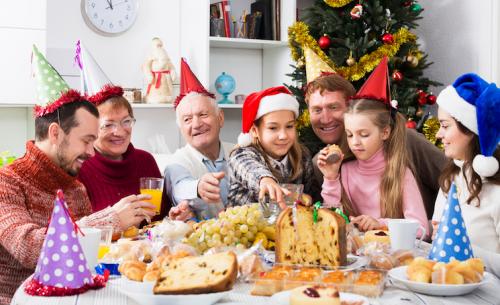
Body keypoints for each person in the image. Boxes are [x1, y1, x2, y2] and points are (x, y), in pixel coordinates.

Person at [0, 46, 155, 305]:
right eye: (86, 140)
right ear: (55, 133)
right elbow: (28, 247)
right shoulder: (7, 182)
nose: (91, 152)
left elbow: (85, 255)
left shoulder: (73, 186)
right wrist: (111, 219)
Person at [306, 70, 447, 219]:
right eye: (317, 110)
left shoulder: (406, 141)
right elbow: (330, 216)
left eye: (333, 107)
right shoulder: (321, 164)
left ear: (353, 106)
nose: (326, 118)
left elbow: (455, 180)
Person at [318, 58, 429, 233]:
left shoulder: (400, 173)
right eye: (349, 134)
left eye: (364, 134)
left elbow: (422, 228)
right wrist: (331, 178)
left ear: (385, 132)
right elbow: (329, 221)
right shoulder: (345, 171)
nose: (355, 142)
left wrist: (381, 224)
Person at [75, 42, 167, 218]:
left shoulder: (145, 161)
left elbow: (162, 217)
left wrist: (177, 214)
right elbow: (79, 231)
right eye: (108, 125)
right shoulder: (79, 168)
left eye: (126, 121)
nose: (119, 131)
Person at [431, 73, 500, 277]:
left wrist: (462, 249)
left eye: (445, 126)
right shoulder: (450, 178)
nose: (438, 134)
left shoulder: (496, 190)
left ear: (470, 129)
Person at [165, 58, 233, 221]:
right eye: (187, 119)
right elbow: (180, 187)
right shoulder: (177, 163)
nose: (196, 124)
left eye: (203, 115)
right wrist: (197, 187)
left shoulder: (240, 152)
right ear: (181, 128)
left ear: (220, 118)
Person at [228, 86, 316, 208]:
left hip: (286, 225)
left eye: (289, 126)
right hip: (242, 225)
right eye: (273, 128)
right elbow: (248, 167)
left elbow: (312, 195)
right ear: (255, 131)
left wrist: (308, 199)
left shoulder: (303, 156)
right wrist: (265, 179)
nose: (283, 136)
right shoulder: (243, 154)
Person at [143, 37, 177, 103]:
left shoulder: (165, 55)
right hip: (155, 78)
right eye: (157, 45)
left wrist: (173, 73)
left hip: (166, 77)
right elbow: (146, 67)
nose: (159, 47)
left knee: (166, 89)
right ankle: (154, 97)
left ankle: (167, 97)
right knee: (155, 90)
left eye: (160, 45)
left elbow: (171, 66)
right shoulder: (151, 55)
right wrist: (149, 76)